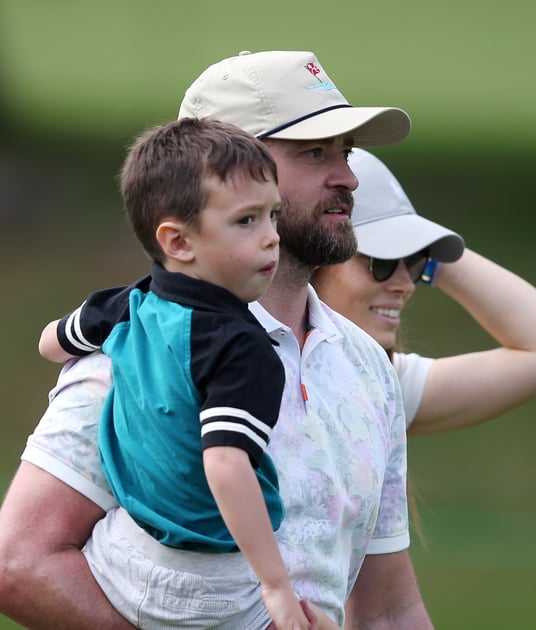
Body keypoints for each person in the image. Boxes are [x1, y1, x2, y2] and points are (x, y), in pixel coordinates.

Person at [0, 50, 433, 629]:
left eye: (346, 153)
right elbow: (19, 562)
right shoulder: (136, 350)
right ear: (222, 168)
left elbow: (387, 611)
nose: (349, 178)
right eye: (315, 152)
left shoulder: (367, 366)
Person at [37, 117, 337, 630]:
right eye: (247, 221)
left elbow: (50, 342)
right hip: (214, 583)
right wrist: (275, 585)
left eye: (273, 215)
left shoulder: (127, 305)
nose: (272, 238)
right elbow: (225, 465)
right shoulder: (243, 349)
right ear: (178, 241)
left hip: (119, 559)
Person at [312, 147, 536, 437]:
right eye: (380, 261)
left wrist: (425, 248)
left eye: (412, 263)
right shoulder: (266, 373)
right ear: (311, 260)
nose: (406, 284)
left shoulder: (379, 382)